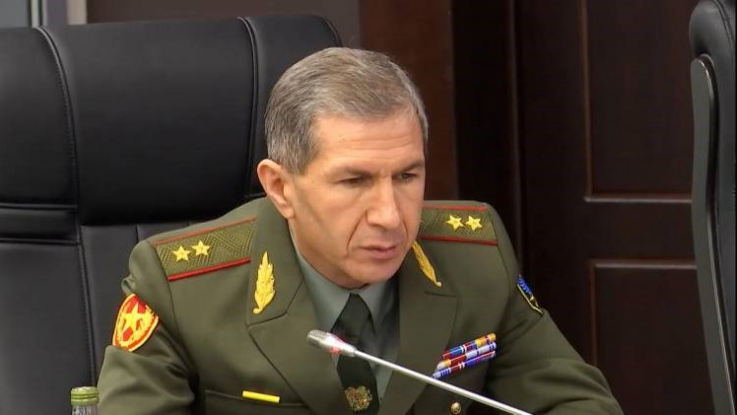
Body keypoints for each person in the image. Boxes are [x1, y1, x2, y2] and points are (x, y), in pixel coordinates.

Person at [97, 47, 622, 414]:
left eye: (407, 176)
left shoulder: (476, 256)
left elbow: (578, 404)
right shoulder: (179, 287)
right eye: (354, 181)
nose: (390, 216)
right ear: (280, 187)